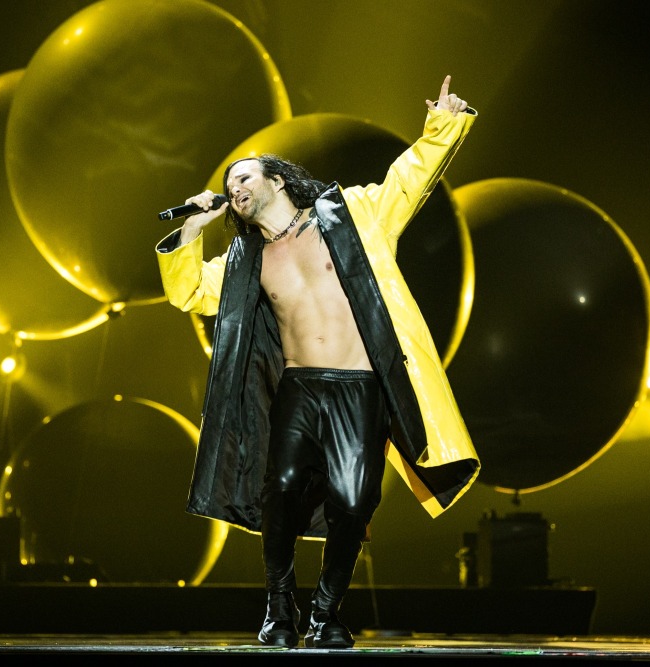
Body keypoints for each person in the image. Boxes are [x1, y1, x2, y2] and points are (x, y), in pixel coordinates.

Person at [156, 75, 480, 649]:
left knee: (353, 503)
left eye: (244, 177)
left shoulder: (351, 215)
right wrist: (192, 231)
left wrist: (443, 125)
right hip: (300, 387)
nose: (235, 188)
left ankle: (326, 613)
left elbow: (407, 181)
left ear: (277, 180)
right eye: (228, 185)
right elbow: (190, 294)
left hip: (361, 386)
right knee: (280, 488)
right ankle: (279, 607)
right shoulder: (245, 259)